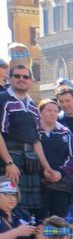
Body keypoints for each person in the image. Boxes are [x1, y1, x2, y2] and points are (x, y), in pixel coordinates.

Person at [0, 62, 51, 214]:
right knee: (9, 207)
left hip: (30, 161)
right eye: (17, 76)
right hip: (10, 159)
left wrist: (47, 167)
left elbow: (35, 141)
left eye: (25, 77)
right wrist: (9, 162)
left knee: (29, 211)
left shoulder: (33, 106)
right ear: (9, 78)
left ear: (31, 80)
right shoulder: (3, 99)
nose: (21, 79)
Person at [37, 98, 73, 218]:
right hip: (39, 182)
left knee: (59, 218)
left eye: (56, 111)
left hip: (61, 183)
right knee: (41, 219)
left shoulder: (65, 132)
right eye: (49, 110)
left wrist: (60, 173)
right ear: (40, 112)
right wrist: (43, 171)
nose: (53, 113)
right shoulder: (34, 131)